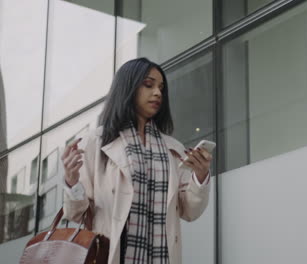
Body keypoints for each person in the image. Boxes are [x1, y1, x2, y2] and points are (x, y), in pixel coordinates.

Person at [61, 57, 212, 264]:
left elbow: (190, 211)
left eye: (161, 87)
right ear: (128, 88)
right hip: (112, 256)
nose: (157, 92)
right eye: (148, 85)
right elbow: (76, 214)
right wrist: (71, 181)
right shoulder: (96, 142)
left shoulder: (173, 148)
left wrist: (200, 176)